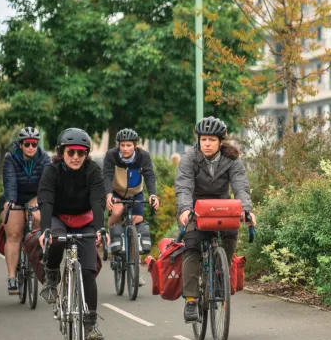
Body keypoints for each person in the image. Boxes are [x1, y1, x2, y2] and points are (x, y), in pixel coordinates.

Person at [174, 116, 255, 322]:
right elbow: (183, 186)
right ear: (198, 140)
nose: (207, 144)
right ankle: (191, 300)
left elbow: (240, 187)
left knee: (230, 234)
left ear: (221, 141)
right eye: (203, 139)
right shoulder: (189, 157)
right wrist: (184, 209)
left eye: (211, 139)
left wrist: (246, 210)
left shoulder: (232, 160)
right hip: (194, 207)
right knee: (192, 245)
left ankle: (220, 275)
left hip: (221, 206)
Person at [37, 128, 107, 340]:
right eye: (71, 152)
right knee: (56, 240)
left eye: (81, 153)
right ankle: (51, 272)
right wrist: (45, 228)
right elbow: (46, 199)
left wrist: (100, 228)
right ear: (61, 152)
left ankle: (90, 324)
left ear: (86, 154)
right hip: (58, 217)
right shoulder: (52, 171)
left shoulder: (93, 171)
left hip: (84, 219)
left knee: (87, 271)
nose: (76, 157)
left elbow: (97, 200)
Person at [102, 128, 159, 285]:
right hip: (116, 192)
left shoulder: (143, 157)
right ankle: (112, 234)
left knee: (137, 220)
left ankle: (136, 271)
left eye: (129, 145)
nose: (125, 149)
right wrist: (108, 195)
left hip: (135, 193)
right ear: (118, 145)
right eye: (122, 145)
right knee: (118, 210)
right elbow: (106, 175)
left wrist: (153, 194)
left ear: (135, 145)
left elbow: (149, 176)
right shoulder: (111, 155)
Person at [0, 127, 50, 295]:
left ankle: (40, 258)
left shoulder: (44, 159)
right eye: (27, 144)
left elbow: (46, 184)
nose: (31, 147)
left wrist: (42, 202)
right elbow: (10, 181)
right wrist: (11, 201)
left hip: (35, 195)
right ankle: (12, 277)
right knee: (14, 234)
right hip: (14, 197)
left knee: (37, 216)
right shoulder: (11, 158)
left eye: (34, 144)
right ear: (21, 145)